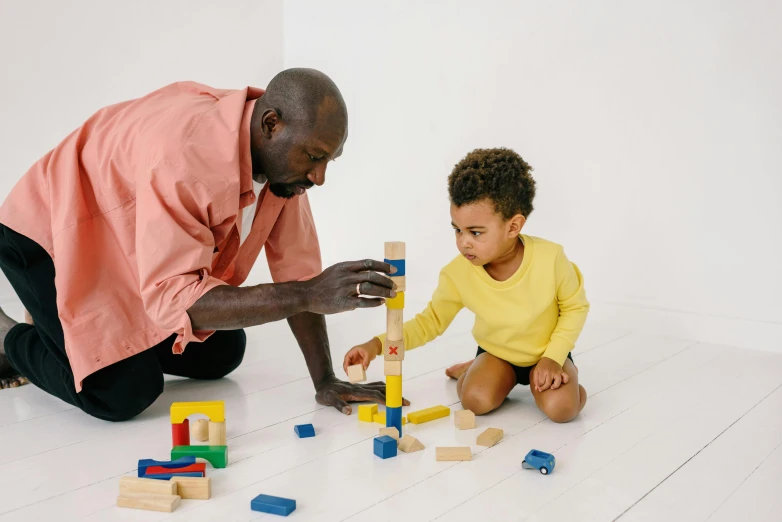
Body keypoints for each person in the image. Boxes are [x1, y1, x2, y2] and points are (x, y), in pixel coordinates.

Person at [0, 68, 407, 421]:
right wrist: (307, 293)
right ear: (271, 125)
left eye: (329, 161)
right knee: (123, 394)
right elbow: (179, 301)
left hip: (122, 246)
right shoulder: (186, 160)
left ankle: (68, 332)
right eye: (314, 157)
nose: (319, 178)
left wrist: (325, 381)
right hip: (46, 236)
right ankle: (9, 335)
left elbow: (299, 276)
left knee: (222, 350)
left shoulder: (284, 169)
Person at [343, 148, 589, 422]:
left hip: (547, 353)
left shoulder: (550, 258)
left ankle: (567, 386)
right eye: (457, 230)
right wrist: (374, 346)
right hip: (498, 355)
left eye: (475, 232)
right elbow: (430, 322)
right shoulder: (457, 273)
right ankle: (475, 370)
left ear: (513, 226)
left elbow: (575, 308)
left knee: (561, 410)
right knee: (475, 401)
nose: (463, 242)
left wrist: (554, 358)